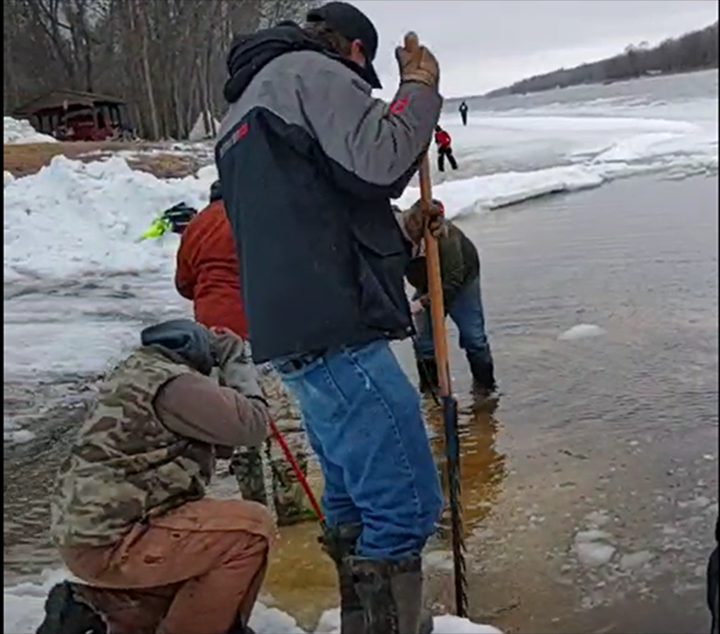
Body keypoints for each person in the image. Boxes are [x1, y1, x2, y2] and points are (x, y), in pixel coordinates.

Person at [215, 2, 445, 631]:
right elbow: (380, 160)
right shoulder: (309, 73)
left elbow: (308, 222)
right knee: (405, 505)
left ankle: (356, 618)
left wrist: (399, 234)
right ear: (355, 52)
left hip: (295, 333)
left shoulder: (241, 112)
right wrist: (420, 91)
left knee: (354, 499)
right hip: (338, 332)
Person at [36, 319, 274, 634]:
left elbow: (222, 441)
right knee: (249, 531)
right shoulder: (176, 385)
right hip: (117, 541)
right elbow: (253, 426)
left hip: (90, 535)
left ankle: (93, 609)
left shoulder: (135, 372)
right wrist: (236, 361)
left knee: (205, 583)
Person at [175, 180, 314, 527]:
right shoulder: (255, 216)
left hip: (214, 341)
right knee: (282, 419)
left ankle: (254, 504)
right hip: (263, 332)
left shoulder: (197, 225)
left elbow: (184, 283)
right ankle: (291, 503)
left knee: (238, 420)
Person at [400, 200, 496, 394]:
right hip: (425, 282)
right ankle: (431, 393)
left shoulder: (446, 238)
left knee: (473, 337)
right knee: (424, 342)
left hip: (462, 283)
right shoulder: (398, 236)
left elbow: (453, 280)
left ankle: (485, 391)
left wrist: (422, 302)